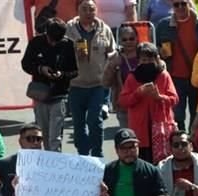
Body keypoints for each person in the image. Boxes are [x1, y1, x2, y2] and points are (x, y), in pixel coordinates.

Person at [66, 0, 116, 158]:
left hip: (98, 85)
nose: (88, 13)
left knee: (95, 120)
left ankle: (97, 154)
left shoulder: (104, 29)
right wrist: (74, 53)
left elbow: (112, 53)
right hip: (76, 85)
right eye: (85, 9)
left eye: (92, 9)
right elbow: (61, 53)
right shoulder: (69, 29)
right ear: (78, 11)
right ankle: (82, 155)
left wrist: (110, 73)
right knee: (78, 124)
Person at [22, 18, 79, 153]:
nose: (53, 43)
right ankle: (42, 163)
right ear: (46, 33)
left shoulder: (68, 45)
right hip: (40, 94)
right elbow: (26, 64)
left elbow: (75, 71)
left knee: (55, 138)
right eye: (51, 39)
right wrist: (41, 69)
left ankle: (55, 165)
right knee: (41, 135)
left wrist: (62, 75)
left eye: (57, 40)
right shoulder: (36, 42)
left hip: (59, 95)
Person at [118, 42, 179, 163]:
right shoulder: (133, 77)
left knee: (162, 164)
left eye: (150, 59)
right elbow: (123, 101)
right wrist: (138, 93)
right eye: (144, 59)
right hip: (140, 130)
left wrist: (159, 97)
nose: (147, 62)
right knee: (143, 164)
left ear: (157, 58)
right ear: (139, 60)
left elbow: (174, 99)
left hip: (161, 130)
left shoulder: (163, 75)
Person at [154, 0, 198, 131]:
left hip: (197, 77)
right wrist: (160, 52)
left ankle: (194, 143)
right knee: (177, 115)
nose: (180, 7)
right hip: (174, 78)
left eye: (183, 4)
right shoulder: (163, 25)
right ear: (172, 6)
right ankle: (180, 143)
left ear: (189, 4)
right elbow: (154, 49)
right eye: (176, 4)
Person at [102, 24, 141, 129]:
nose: (128, 42)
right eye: (124, 39)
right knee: (128, 137)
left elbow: (161, 68)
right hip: (124, 105)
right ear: (120, 41)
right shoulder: (116, 57)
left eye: (131, 38)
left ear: (137, 38)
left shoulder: (146, 54)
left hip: (143, 104)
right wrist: (112, 65)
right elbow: (105, 82)